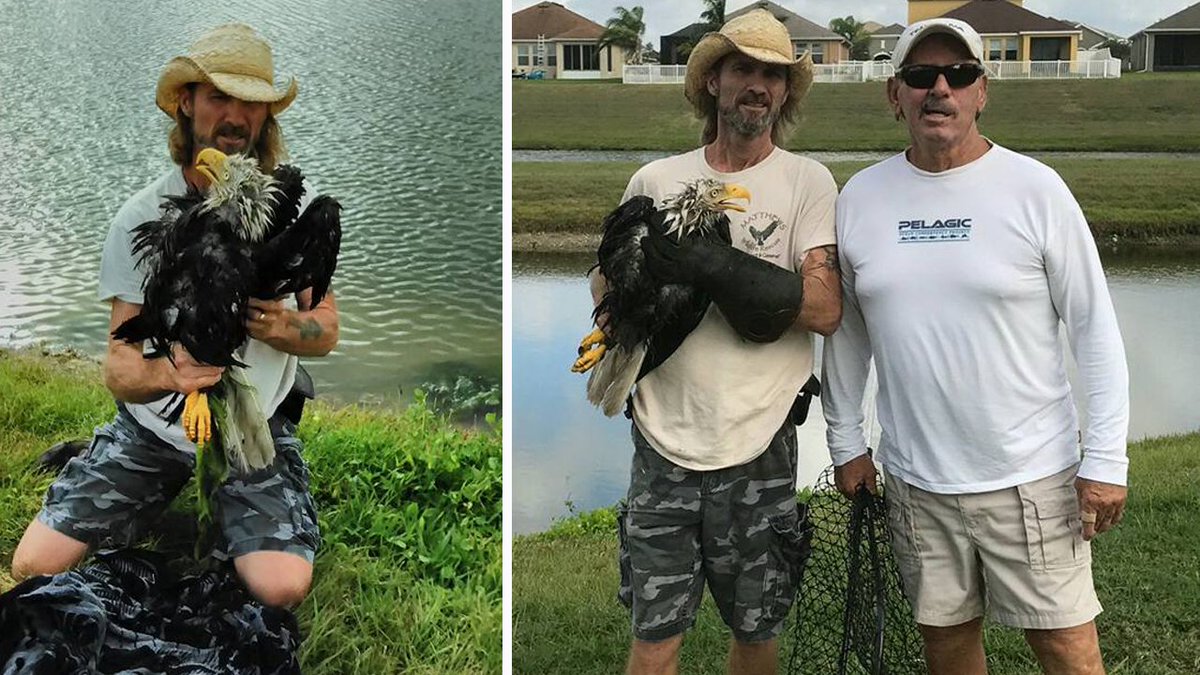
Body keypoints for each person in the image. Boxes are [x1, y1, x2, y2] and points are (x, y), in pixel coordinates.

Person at [822, 18, 1129, 674]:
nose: (940, 89)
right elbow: (849, 334)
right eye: (920, 76)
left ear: (982, 91)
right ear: (894, 93)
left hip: (1031, 476)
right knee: (948, 643)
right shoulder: (861, 198)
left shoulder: (1036, 190)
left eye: (958, 75)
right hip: (916, 481)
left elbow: (1094, 328)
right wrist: (846, 442)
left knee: (1069, 651)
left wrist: (1105, 459)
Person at [10, 23, 339, 609]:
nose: (235, 116)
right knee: (34, 565)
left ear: (267, 117)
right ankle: (103, 458)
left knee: (280, 587)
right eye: (218, 97)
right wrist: (172, 376)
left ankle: (275, 485)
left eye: (251, 103)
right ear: (186, 105)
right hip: (154, 427)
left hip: (250, 427)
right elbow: (119, 365)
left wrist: (288, 328)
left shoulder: (288, 216)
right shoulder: (141, 219)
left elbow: (327, 330)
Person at [592, 10, 841, 674]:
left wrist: (719, 267)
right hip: (662, 446)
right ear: (713, 82)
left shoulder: (807, 182)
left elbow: (824, 306)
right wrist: (625, 303)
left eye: (771, 74)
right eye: (742, 69)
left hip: (759, 446)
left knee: (755, 632)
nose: (756, 85)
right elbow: (603, 286)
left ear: (785, 93)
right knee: (654, 637)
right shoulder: (655, 180)